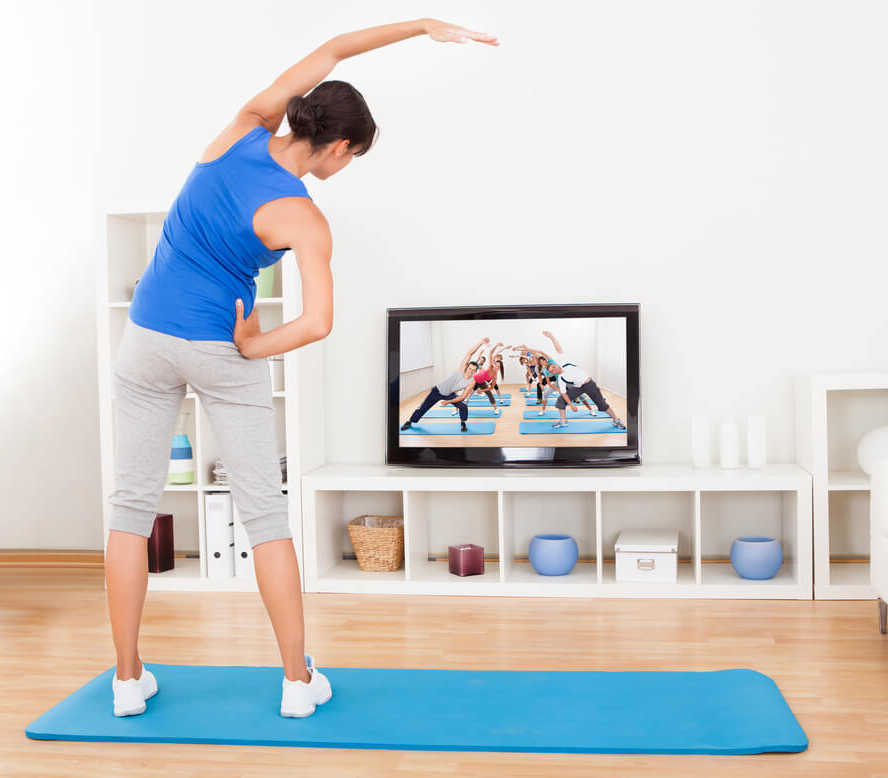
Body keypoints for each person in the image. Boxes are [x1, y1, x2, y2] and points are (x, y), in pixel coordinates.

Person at [105, 18, 498, 719]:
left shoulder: (245, 125)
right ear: (339, 146)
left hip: (143, 336)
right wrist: (253, 346)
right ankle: (295, 683)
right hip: (220, 347)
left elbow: (336, 49)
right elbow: (318, 322)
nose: (345, 167)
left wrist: (419, 27)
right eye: (352, 157)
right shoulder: (306, 221)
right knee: (265, 516)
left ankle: (128, 680)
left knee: (131, 511)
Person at [529, 331, 626, 429]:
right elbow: (563, 393)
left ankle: (616, 420)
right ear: (552, 373)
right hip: (578, 387)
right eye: (551, 370)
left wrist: (552, 337)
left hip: (589, 384)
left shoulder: (564, 363)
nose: (554, 369)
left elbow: (559, 349)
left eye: (553, 367)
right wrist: (571, 405)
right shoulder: (561, 379)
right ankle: (563, 421)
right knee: (560, 400)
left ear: (555, 365)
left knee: (602, 404)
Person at [401, 338, 490, 433]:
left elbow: (463, 396)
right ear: (466, 367)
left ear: (475, 372)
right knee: (423, 408)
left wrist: (449, 401)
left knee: (463, 406)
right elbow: (469, 353)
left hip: (449, 395)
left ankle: (463, 422)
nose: (470, 371)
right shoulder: (461, 369)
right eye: (470, 369)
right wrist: (480, 343)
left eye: (473, 370)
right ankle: (410, 421)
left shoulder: (472, 382)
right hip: (436, 391)